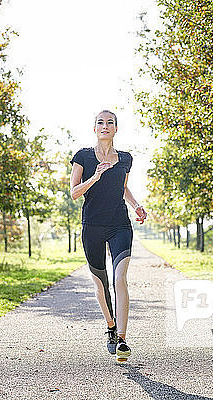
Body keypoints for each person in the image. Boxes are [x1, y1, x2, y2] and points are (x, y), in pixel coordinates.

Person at [70, 109, 147, 362]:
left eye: (110, 122)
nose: (105, 126)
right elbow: (74, 193)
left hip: (119, 224)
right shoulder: (82, 156)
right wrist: (96, 176)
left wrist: (136, 205)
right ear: (95, 128)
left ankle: (123, 339)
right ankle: (111, 326)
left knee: (119, 277)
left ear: (116, 128)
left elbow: (123, 188)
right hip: (92, 225)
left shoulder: (125, 158)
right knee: (101, 283)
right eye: (100, 123)